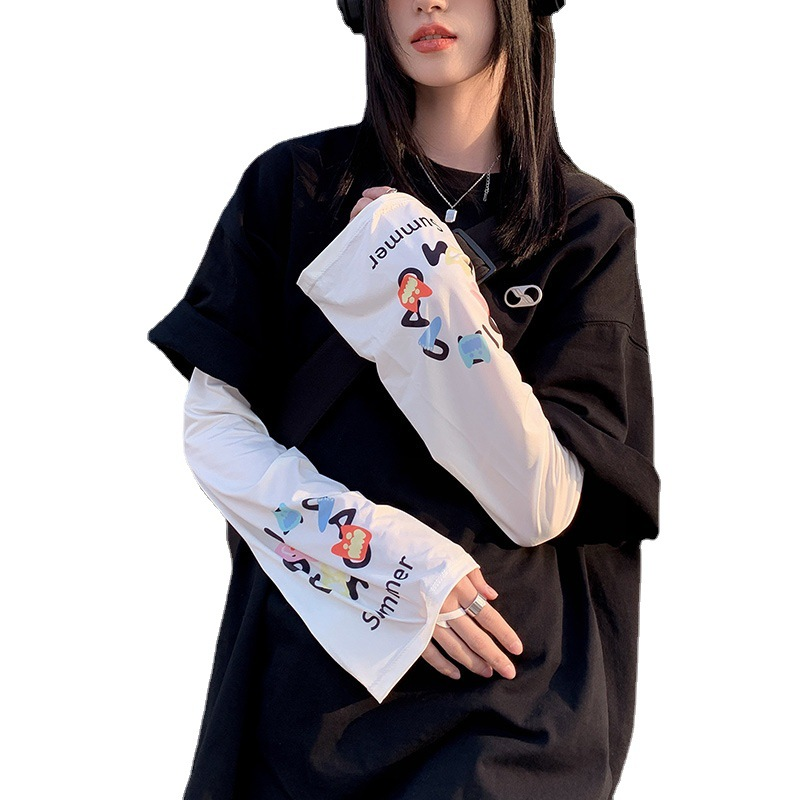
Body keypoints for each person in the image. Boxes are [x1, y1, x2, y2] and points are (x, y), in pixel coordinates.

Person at [148, 0, 659, 797]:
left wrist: (416, 269)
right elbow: (216, 433)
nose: (429, 0)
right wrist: (394, 567)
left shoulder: (583, 227)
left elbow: (542, 498)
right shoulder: (293, 189)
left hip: (505, 698)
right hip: (305, 694)